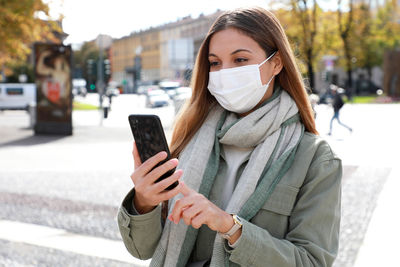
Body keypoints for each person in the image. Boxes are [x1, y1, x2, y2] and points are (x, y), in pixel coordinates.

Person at [118, 7, 341, 267]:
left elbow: (312, 262)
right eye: (215, 63)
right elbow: (142, 250)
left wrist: (229, 226)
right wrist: (144, 203)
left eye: (240, 60)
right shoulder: (190, 137)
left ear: (276, 63)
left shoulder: (315, 158)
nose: (225, 72)